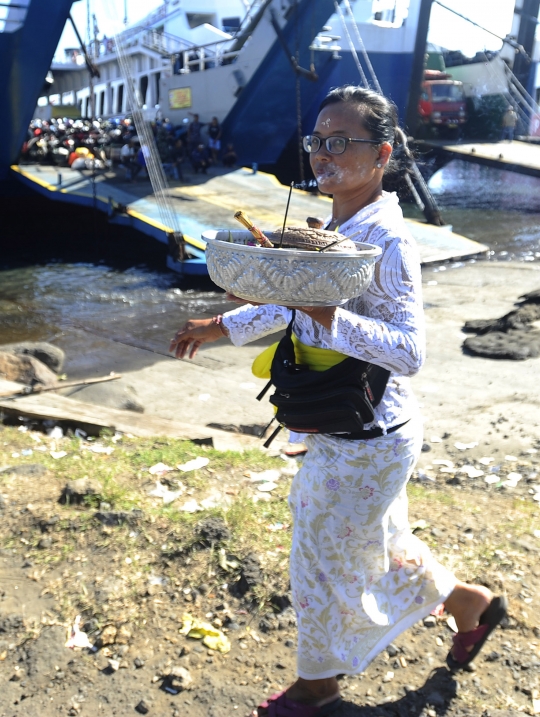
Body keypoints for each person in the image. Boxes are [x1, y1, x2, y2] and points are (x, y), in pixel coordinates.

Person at [169, 86, 506, 716]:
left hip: (366, 438)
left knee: (319, 564)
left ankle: (317, 691)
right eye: (317, 141)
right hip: (357, 428)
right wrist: (222, 324)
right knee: (381, 544)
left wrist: (328, 316)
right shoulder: (342, 225)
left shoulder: (389, 240)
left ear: (381, 154)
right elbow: (293, 297)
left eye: (340, 142)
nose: (323, 153)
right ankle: (471, 604)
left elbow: (409, 352)